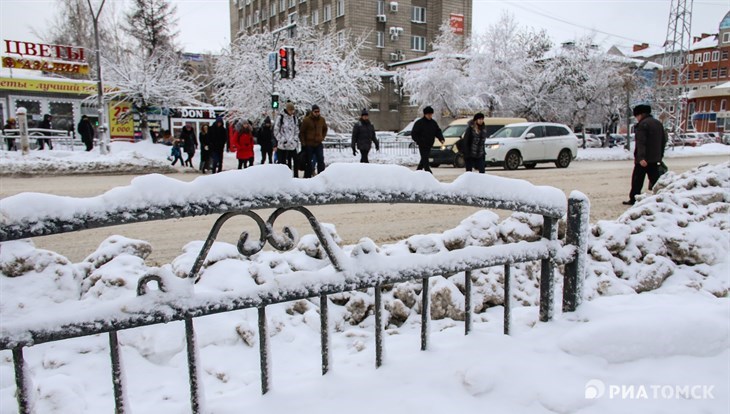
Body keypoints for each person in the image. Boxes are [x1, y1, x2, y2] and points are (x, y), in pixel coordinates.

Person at [623, 104, 668, 205]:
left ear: (640, 114)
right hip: (655, 158)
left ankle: (634, 198)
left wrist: (641, 158)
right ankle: (660, 197)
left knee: (637, 180)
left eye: (636, 116)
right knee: (656, 180)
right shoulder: (658, 124)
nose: (636, 118)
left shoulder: (643, 125)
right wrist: (660, 156)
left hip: (643, 160)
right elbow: (663, 141)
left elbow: (641, 143)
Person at [411, 106, 444, 173]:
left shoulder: (433, 123)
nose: (430, 116)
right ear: (425, 114)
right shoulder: (419, 123)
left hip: (429, 144)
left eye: (431, 114)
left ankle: (417, 173)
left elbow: (437, 131)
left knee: (423, 160)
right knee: (425, 160)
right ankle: (429, 173)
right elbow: (414, 134)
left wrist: (441, 139)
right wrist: (419, 141)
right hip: (422, 145)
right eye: (428, 114)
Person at [299, 104, 328, 178]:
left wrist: (322, 137)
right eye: (315, 111)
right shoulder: (306, 120)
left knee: (320, 160)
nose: (317, 113)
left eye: (318, 111)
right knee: (309, 161)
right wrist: (303, 143)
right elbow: (302, 132)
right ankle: (307, 176)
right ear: (312, 112)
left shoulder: (322, 120)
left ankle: (322, 176)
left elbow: (325, 128)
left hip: (318, 143)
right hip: (309, 144)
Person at [274, 102, 300, 177]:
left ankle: (295, 177)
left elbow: (296, 130)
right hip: (283, 145)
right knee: (282, 164)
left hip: (292, 145)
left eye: (293, 110)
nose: (292, 112)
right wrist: (282, 140)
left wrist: (294, 140)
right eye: (291, 110)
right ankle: (283, 177)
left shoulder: (294, 118)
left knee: (295, 161)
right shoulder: (280, 118)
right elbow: (276, 130)